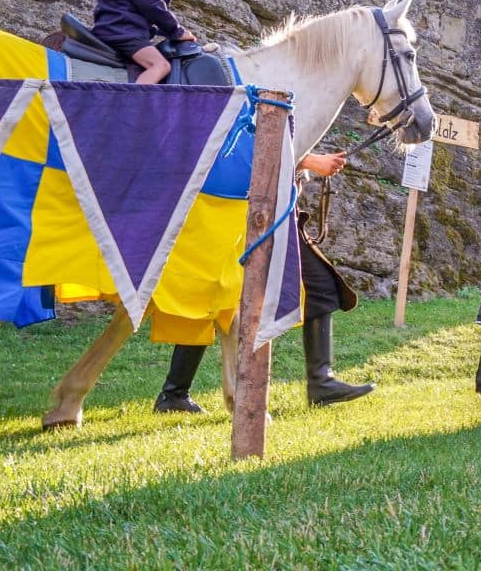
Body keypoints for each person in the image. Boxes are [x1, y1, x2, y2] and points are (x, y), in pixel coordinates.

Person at [154, 151, 373, 413]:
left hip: (273, 209)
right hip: (242, 208)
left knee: (318, 284)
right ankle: (174, 393)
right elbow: (251, 143)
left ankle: (321, 382)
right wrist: (308, 160)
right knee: (212, 292)